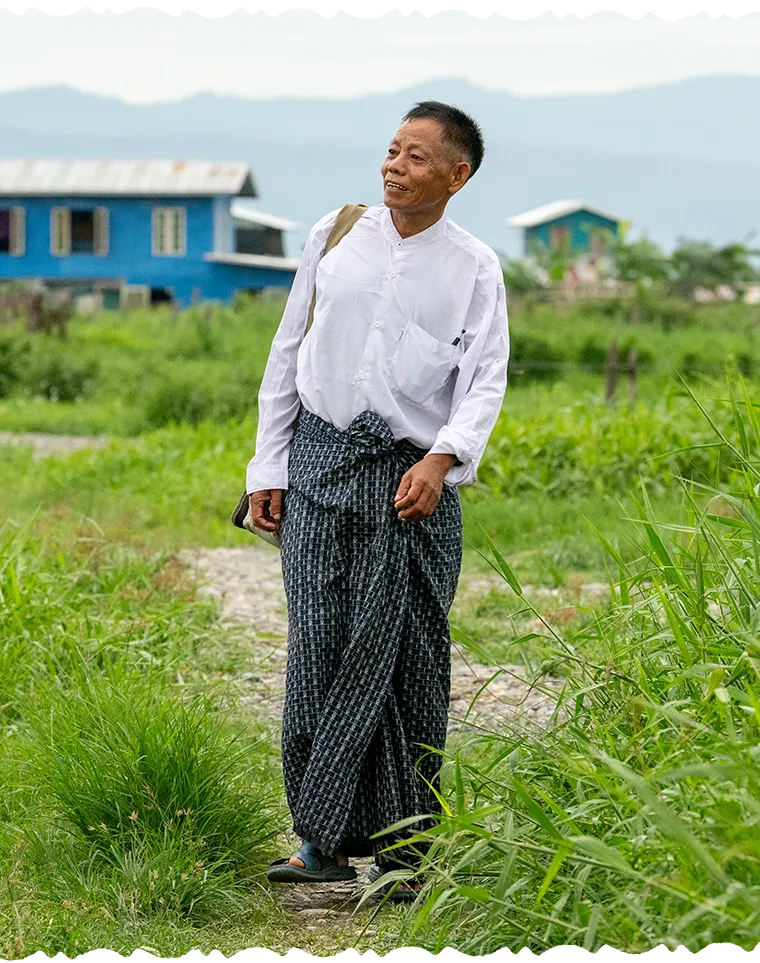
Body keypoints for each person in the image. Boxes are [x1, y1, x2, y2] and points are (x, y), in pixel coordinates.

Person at [247, 101, 509, 897]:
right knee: (319, 654)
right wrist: (269, 465)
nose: (395, 166)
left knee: (407, 662)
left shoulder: (474, 266)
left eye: (418, 157)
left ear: (456, 177)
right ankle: (320, 841)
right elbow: (288, 348)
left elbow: (483, 380)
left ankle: (405, 856)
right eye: (392, 150)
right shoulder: (337, 233)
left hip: (411, 486)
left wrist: (443, 458)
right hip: (320, 465)